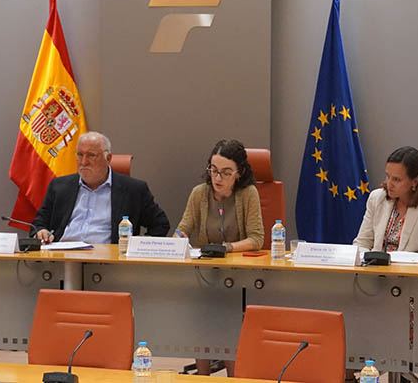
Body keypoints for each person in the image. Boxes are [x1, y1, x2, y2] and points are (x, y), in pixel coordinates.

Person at [175, 139, 264, 376]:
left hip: (240, 278)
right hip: (205, 275)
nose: (217, 178)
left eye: (225, 172)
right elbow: (183, 228)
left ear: (239, 172)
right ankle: (203, 376)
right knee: (200, 314)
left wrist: (226, 248)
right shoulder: (199, 194)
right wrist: (176, 239)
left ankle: (232, 377)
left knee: (229, 318)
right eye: (213, 170)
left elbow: (256, 238)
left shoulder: (248, 194)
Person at [32, 131, 170, 244]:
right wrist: (41, 231)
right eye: (80, 155)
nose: (84, 162)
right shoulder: (59, 186)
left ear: (108, 158)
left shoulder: (134, 190)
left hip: (107, 262)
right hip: (61, 258)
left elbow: (160, 224)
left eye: (91, 155)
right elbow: (38, 223)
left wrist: (137, 247)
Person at [353, 146, 418, 258]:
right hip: (376, 267)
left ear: (415, 182)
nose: (389, 184)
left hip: (412, 268)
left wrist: (406, 260)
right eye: (388, 176)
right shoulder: (376, 198)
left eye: (396, 179)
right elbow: (362, 243)